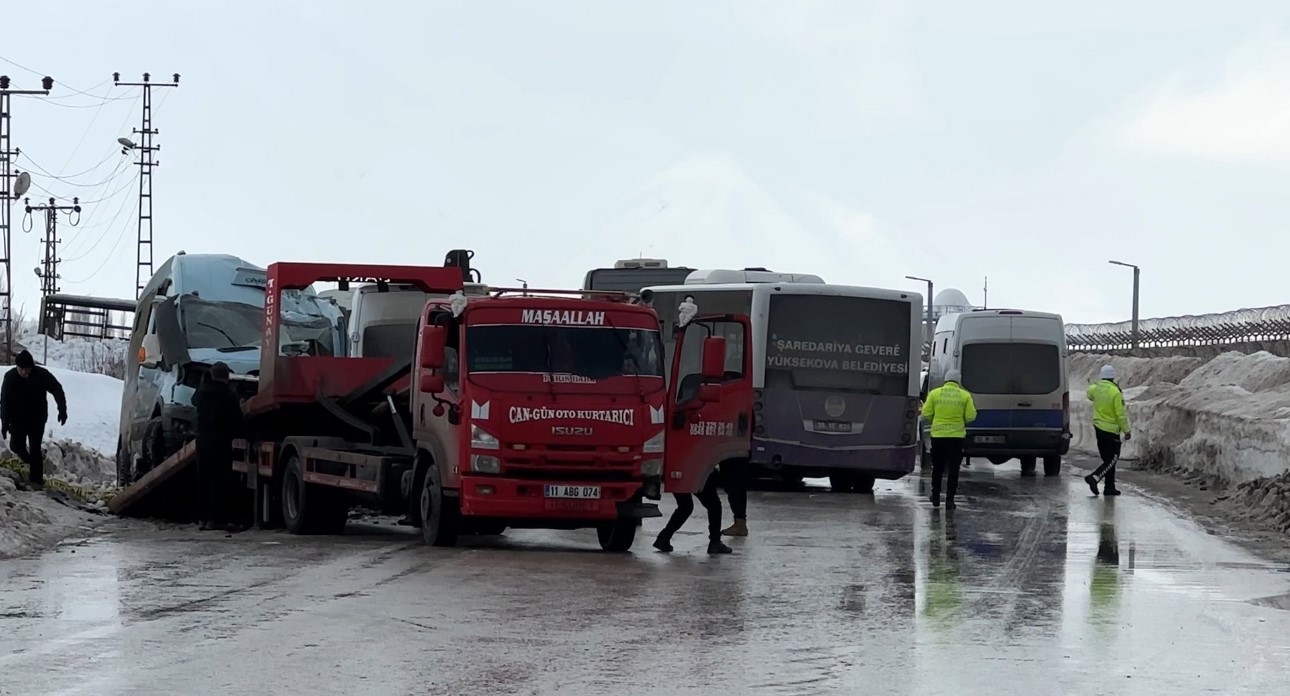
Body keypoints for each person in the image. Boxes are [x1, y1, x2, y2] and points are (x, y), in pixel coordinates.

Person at [1, 350, 67, 489]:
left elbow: (57, 388)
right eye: (23, 369)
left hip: (37, 418)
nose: (26, 372)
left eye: (28, 369)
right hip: (17, 419)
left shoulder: (41, 375)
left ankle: (36, 481)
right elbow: (5, 401)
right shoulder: (10, 378)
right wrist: (5, 423)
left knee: (35, 448)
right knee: (15, 445)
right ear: (17, 366)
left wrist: (62, 409)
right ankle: (28, 460)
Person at [193, 362, 244, 531]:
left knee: (203, 481)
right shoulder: (229, 395)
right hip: (221, 443)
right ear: (226, 376)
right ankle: (215, 519)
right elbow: (238, 420)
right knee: (220, 482)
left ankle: (202, 519)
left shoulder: (201, 393)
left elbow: (194, 400)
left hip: (202, 442)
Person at [921, 369, 977, 509]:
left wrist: (937, 420)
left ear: (945, 380)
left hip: (938, 436)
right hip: (956, 437)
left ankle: (935, 497)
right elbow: (971, 416)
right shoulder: (965, 396)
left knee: (937, 468)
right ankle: (950, 500)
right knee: (954, 469)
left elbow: (926, 413)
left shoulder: (935, 393)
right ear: (958, 381)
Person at [654, 472, 733, 555]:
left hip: (676, 471)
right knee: (713, 505)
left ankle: (664, 538)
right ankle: (715, 541)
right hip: (697, 470)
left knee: (685, 506)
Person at [1085, 364, 1130, 497]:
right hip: (1111, 431)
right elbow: (1120, 414)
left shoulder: (1096, 388)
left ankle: (1110, 488)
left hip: (1099, 428)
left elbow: (1089, 393)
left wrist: (1091, 383)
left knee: (1107, 460)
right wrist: (1126, 430)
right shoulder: (1115, 392)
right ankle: (1094, 477)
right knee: (1112, 460)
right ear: (1113, 376)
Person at [721, 461, 749, 537]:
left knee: (732, 487)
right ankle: (741, 523)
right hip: (740, 453)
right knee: (739, 486)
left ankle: (740, 524)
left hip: (730, 455)